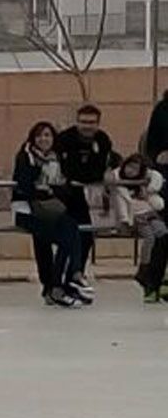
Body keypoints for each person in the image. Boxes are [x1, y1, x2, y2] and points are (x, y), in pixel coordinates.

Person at [11, 122, 81, 309]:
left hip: (51, 210)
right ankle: (57, 285)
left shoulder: (57, 159)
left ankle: (58, 284)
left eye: (48, 135)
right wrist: (48, 190)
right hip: (28, 211)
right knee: (55, 241)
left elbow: (65, 188)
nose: (44, 139)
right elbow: (24, 186)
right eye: (40, 136)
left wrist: (51, 190)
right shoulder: (25, 157)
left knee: (71, 230)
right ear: (33, 139)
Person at [55, 103, 114, 304]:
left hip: (88, 193)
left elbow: (100, 167)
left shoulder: (103, 140)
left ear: (98, 123)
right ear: (77, 121)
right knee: (70, 238)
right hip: (66, 195)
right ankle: (58, 284)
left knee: (86, 237)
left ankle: (75, 277)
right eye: (83, 122)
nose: (87, 126)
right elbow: (67, 169)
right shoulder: (64, 139)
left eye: (91, 122)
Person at [109, 152, 166, 302]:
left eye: (135, 168)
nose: (131, 171)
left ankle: (161, 273)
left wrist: (148, 187)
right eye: (129, 166)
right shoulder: (119, 183)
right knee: (150, 238)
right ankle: (144, 268)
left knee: (163, 234)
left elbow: (156, 176)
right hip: (135, 217)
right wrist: (124, 221)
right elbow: (121, 205)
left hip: (150, 213)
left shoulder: (145, 184)